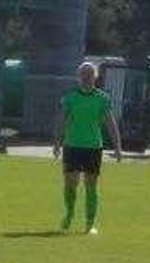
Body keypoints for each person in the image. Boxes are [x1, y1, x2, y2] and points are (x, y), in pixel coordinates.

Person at [52, 61, 123, 235]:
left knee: (91, 184)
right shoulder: (70, 97)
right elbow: (61, 120)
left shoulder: (102, 98)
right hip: (72, 145)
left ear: (95, 77)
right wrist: (57, 142)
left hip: (93, 146)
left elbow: (110, 123)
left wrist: (117, 146)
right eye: (83, 74)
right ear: (78, 77)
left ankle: (90, 223)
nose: (86, 78)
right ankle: (69, 214)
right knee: (71, 181)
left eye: (90, 75)